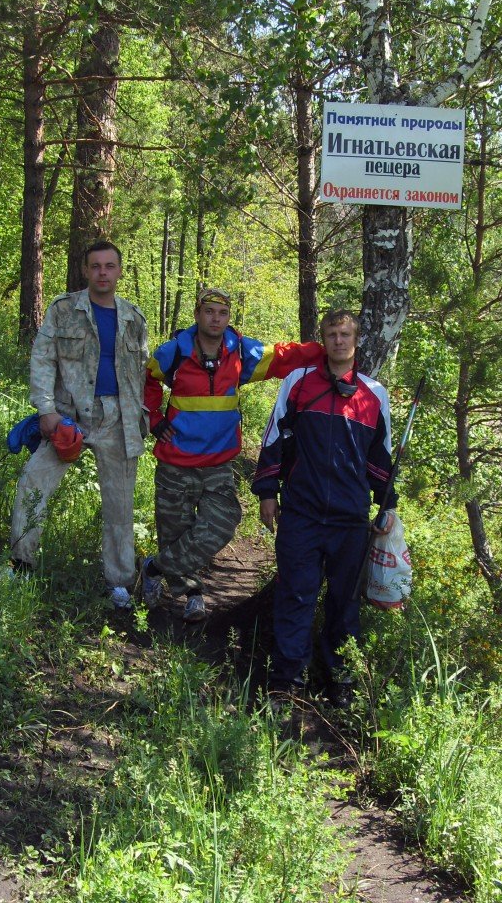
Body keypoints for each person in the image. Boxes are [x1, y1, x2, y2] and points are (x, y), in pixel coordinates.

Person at [142, 288, 325, 622]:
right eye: (209, 311)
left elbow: (281, 357)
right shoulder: (175, 351)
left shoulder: (240, 351)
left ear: (228, 318)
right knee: (176, 532)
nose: (215, 319)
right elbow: (146, 379)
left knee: (223, 523)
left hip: (218, 462)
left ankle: (154, 567)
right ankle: (192, 594)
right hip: (175, 461)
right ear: (197, 314)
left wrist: (326, 350)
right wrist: (154, 419)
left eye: (222, 313)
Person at [250, 307, 397, 704]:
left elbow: (380, 457)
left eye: (345, 334)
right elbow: (274, 438)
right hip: (301, 512)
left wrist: (387, 505)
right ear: (323, 340)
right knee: (295, 594)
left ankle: (341, 679)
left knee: (344, 602)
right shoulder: (298, 382)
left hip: (351, 519)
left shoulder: (374, 394)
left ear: (357, 340)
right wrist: (267, 492)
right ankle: (287, 680)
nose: (338, 341)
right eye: (332, 334)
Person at [10, 240, 148, 610]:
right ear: (85, 270)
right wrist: (46, 410)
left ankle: (119, 583)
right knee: (33, 483)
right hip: (68, 417)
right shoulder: (64, 309)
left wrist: (141, 415)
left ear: (119, 271)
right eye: (96, 266)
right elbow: (43, 358)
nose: (103, 272)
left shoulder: (134, 318)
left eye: (109, 266)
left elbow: (140, 373)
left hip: (118, 419)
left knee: (119, 505)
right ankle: (21, 565)